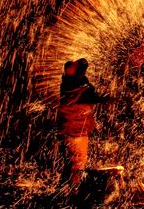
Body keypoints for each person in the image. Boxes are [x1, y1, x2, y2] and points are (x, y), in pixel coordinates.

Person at [57, 58, 107, 192]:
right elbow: (91, 98)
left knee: (70, 161)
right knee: (78, 162)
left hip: (69, 129)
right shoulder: (79, 89)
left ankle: (63, 189)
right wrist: (107, 98)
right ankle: (73, 192)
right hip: (77, 130)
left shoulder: (67, 84)